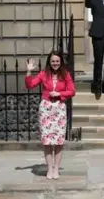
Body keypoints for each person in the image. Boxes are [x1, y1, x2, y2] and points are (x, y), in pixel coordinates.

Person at [25, 51, 76, 180]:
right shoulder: (43, 73)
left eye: (57, 61)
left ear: (61, 62)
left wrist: (59, 94)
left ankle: (56, 169)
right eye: (53, 61)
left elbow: (72, 91)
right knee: (47, 142)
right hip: (46, 109)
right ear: (49, 62)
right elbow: (30, 85)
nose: (55, 63)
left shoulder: (65, 74)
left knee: (58, 142)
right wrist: (29, 72)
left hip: (59, 108)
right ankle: (49, 169)